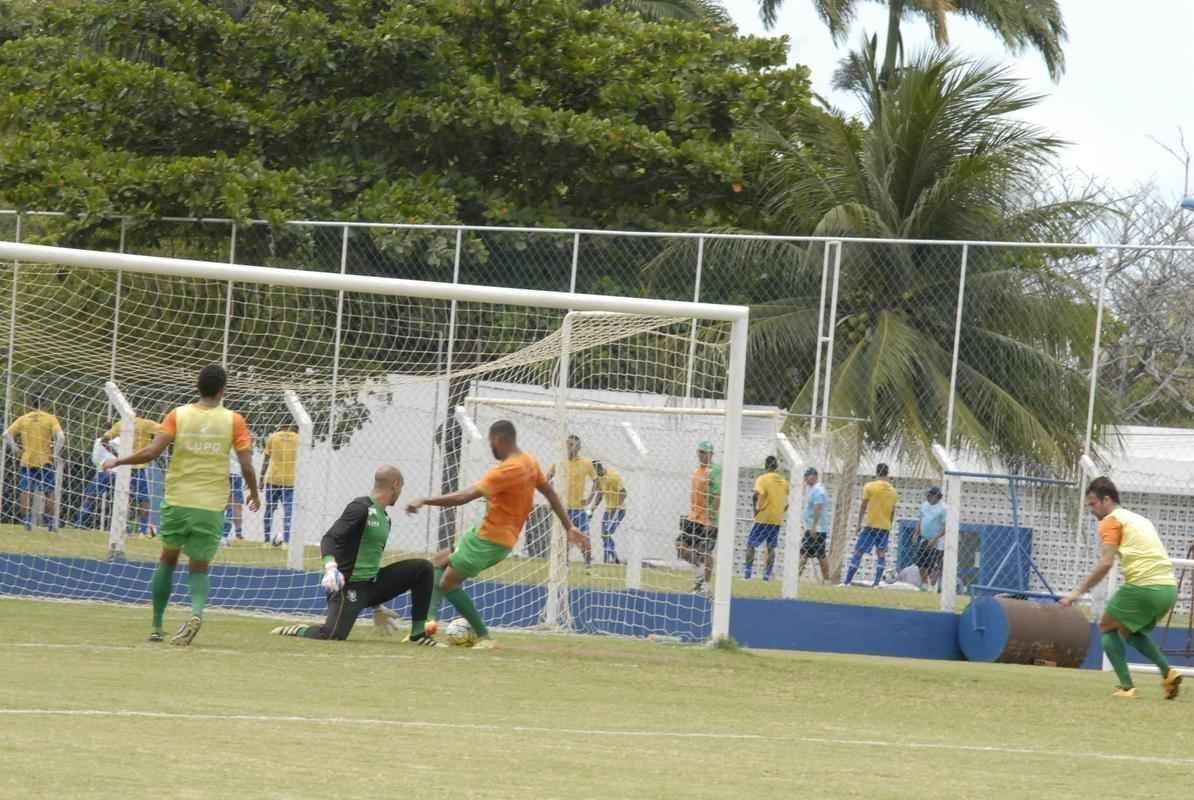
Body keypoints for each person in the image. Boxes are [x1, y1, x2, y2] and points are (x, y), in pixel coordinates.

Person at [103, 365, 261, 646]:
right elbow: (247, 465)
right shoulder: (234, 420)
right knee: (199, 567)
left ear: (197, 387)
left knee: (168, 559)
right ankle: (196, 613)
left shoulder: (178, 414)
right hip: (210, 505)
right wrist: (254, 492)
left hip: (177, 500)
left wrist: (119, 460)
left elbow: (152, 452)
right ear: (223, 390)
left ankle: (156, 626)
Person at [405, 420, 586, 649]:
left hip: (488, 540)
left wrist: (424, 500)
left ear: (500, 440)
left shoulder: (506, 470)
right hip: (490, 535)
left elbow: (463, 497)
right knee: (437, 562)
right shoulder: (530, 461)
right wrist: (569, 526)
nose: (491, 448)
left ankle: (484, 637)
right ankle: (427, 624)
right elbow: (550, 492)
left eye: (491, 442)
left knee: (448, 584)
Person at [271, 466, 438, 645]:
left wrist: (377, 607)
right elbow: (330, 537)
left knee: (423, 568)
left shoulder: (385, 518)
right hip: (348, 586)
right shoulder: (360, 507)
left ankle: (418, 634)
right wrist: (330, 567)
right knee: (332, 634)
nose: (400, 493)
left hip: (372, 586)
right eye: (401, 488)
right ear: (395, 485)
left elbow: (370, 561)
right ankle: (298, 629)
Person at [1061, 477, 1183, 700]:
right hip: (1168, 589)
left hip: (1144, 586)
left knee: (1106, 626)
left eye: (1093, 504)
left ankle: (1126, 687)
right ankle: (1168, 673)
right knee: (1129, 631)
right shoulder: (1139, 519)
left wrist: (1078, 592)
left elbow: (1105, 563)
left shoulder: (1111, 521)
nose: (1090, 509)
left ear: (1106, 500)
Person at [4, 396, 64, 531]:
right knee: (49, 492)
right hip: (45, 461)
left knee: (26, 491)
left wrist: (15, 449)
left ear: (31, 404)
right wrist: (55, 453)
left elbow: (6, 434)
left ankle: (26, 521)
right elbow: (61, 437)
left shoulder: (24, 418)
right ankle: (50, 523)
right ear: (45, 404)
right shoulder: (50, 418)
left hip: (27, 461)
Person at [102, 414, 163, 537]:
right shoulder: (146, 423)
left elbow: (104, 440)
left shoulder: (121, 423)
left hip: (124, 466)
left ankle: (123, 527)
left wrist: (118, 456)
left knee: (125, 498)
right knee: (144, 500)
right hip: (140, 466)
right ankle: (143, 529)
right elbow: (164, 431)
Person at [843, 463, 897, 588]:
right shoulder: (893, 491)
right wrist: (889, 525)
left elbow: (863, 506)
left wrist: (858, 523)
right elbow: (893, 511)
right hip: (884, 527)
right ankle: (876, 584)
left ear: (876, 472)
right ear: (887, 473)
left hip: (871, 526)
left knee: (858, 552)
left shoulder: (870, 487)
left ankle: (847, 582)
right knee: (881, 554)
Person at [677, 440, 721, 594]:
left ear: (711, 454)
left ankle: (704, 586)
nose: (702, 455)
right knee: (681, 547)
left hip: (708, 519)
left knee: (705, 551)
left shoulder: (715, 470)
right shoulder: (697, 471)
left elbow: (717, 495)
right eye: (700, 452)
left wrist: (712, 518)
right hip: (694, 518)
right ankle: (700, 575)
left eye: (705, 453)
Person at [545, 434, 595, 568]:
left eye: (572, 444)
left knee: (584, 536)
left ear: (578, 447)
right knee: (564, 537)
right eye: (567, 444)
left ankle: (588, 563)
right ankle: (565, 563)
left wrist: (589, 498)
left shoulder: (586, 463)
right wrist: (552, 497)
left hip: (579, 508)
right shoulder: (560, 463)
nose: (569, 447)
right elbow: (547, 479)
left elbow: (596, 482)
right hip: (564, 508)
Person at [744, 456, 789, 581]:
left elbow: (755, 495)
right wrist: (780, 512)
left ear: (765, 466)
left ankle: (747, 573)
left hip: (763, 517)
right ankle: (767, 576)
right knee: (771, 547)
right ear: (776, 467)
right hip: (776, 520)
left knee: (751, 544)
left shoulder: (762, 479)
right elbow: (787, 503)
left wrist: (755, 510)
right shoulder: (783, 481)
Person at [261, 423, 299, 546]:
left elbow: (266, 460)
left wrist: (261, 478)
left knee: (269, 510)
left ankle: (266, 541)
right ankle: (286, 542)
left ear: (280, 425)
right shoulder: (298, 439)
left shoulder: (273, 437)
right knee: (288, 512)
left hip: (273, 479)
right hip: (290, 481)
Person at [73, 437, 116, 529]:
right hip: (108, 473)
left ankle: (79, 522)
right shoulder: (100, 441)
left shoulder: (123, 441)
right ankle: (79, 522)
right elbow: (95, 459)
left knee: (91, 498)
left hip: (113, 474)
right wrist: (103, 466)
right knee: (91, 497)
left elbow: (95, 459)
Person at [798, 467, 832, 583]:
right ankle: (826, 579)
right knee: (817, 554)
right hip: (813, 528)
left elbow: (818, 508)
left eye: (807, 476)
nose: (805, 479)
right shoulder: (813, 489)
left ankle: (795, 576)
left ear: (813, 476)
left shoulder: (818, 490)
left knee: (807, 553)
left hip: (816, 529)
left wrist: (813, 526)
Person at [590, 460, 627, 565]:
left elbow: (624, 493)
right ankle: (611, 559)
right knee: (604, 534)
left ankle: (610, 560)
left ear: (599, 469)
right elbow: (600, 495)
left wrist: (616, 507)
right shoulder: (599, 479)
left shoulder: (614, 476)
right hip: (608, 509)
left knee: (606, 534)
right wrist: (591, 510)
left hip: (618, 510)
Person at [913, 487, 947, 589]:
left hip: (937, 541)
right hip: (924, 539)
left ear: (936, 496)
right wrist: (916, 533)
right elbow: (920, 520)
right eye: (927, 495)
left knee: (934, 566)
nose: (927, 497)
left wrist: (935, 539)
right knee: (921, 564)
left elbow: (945, 527)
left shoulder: (943, 508)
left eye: (929, 495)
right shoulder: (924, 505)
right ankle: (924, 584)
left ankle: (934, 585)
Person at [223, 450, 245, 542]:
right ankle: (224, 534)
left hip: (222, 472)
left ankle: (237, 534)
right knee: (235, 506)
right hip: (235, 472)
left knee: (224, 505)